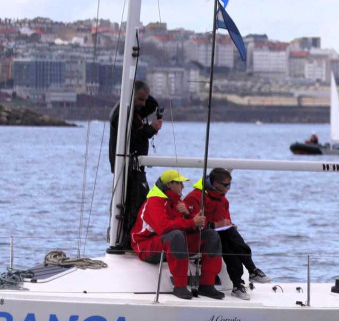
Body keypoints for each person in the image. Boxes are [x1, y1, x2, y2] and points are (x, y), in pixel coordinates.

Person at [131, 169, 224, 301]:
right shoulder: (154, 202)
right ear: (169, 184)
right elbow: (164, 228)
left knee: (210, 235)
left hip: (170, 243)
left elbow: (190, 226)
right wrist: (191, 221)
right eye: (180, 183)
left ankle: (207, 284)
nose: (183, 186)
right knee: (175, 235)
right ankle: (179, 286)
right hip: (146, 246)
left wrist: (188, 215)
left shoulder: (177, 203)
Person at [184, 168, 271, 301]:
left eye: (230, 185)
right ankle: (251, 269)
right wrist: (216, 225)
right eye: (226, 185)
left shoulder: (223, 201)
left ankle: (238, 285)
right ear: (215, 183)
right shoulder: (195, 197)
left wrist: (229, 224)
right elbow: (189, 223)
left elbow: (225, 222)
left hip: (217, 237)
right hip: (197, 238)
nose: (229, 189)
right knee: (229, 236)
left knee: (230, 241)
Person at [109, 80, 163, 248]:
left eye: (144, 100)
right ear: (130, 96)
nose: (143, 104)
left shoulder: (135, 111)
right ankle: (125, 241)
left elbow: (152, 105)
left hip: (135, 166)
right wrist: (151, 129)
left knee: (139, 201)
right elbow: (130, 138)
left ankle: (130, 239)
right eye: (140, 99)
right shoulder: (122, 114)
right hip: (127, 166)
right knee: (133, 204)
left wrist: (144, 96)